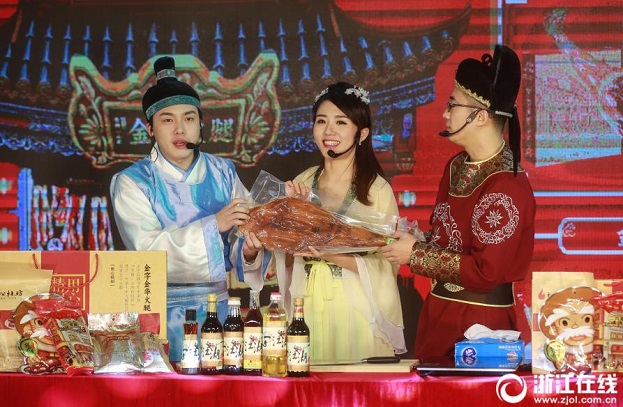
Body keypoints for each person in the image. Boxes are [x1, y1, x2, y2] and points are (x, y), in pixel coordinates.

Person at [379, 45, 536, 361]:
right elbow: (447, 238)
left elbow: (485, 272)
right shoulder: (457, 165)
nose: (445, 113)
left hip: (480, 326)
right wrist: (417, 240)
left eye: (452, 105)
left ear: (480, 116)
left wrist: (415, 253)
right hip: (440, 313)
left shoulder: (506, 185)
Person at [109, 56, 270, 363]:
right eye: (167, 120)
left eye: (189, 118)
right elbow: (148, 252)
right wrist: (213, 225)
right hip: (161, 315)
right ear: (150, 128)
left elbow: (244, 234)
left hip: (219, 313)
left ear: (200, 124)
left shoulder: (224, 172)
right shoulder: (133, 182)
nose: (180, 130)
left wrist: (248, 252)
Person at [259, 82, 406, 360]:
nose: (329, 131)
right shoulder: (303, 181)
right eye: (321, 121)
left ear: (362, 133)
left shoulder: (376, 190)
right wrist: (288, 216)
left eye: (341, 122)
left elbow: (388, 263)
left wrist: (329, 253)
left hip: (355, 305)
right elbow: (286, 253)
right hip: (305, 300)